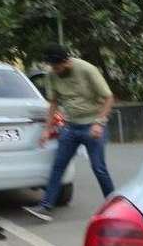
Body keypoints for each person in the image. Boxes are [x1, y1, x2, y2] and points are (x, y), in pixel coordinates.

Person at [24, 44, 115, 221]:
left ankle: (114, 207)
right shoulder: (52, 75)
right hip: (70, 127)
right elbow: (53, 103)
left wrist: (99, 122)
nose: (55, 70)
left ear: (67, 61)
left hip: (93, 125)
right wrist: (47, 129)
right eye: (52, 67)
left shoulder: (87, 70)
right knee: (58, 166)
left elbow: (108, 97)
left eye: (57, 67)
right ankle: (45, 206)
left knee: (99, 168)